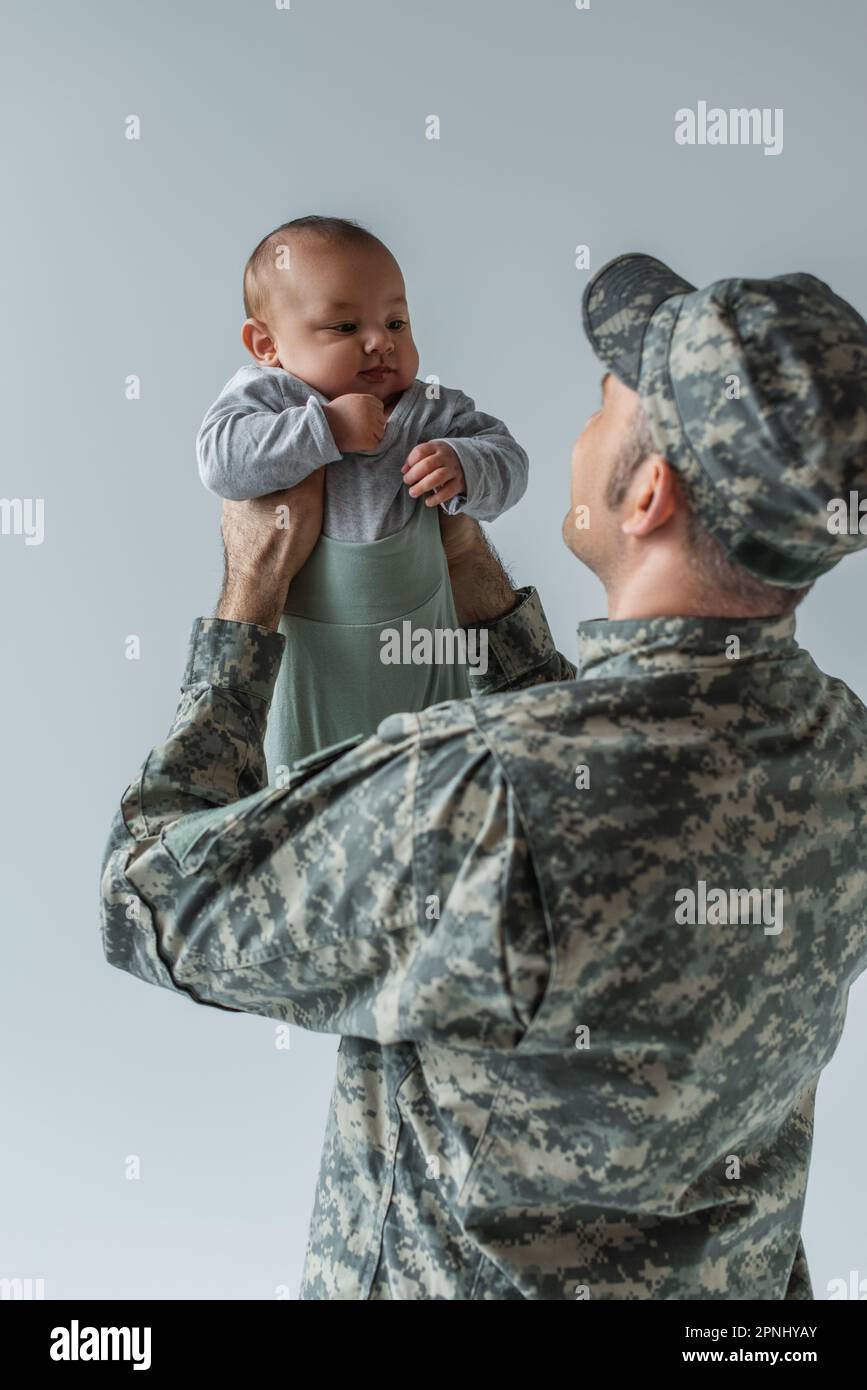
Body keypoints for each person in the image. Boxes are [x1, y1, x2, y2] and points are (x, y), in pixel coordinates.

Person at [100, 252, 867, 1300]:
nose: (577, 434)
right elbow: (621, 798)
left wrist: (250, 592)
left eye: (606, 405)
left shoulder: (481, 793)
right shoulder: (842, 757)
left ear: (648, 493)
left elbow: (148, 897)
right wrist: (481, 588)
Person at [196, 215, 528, 770]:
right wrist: (323, 428)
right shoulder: (271, 397)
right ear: (266, 343)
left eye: (396, 322)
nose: (380, 342)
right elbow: (220, 461)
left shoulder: (430, 411)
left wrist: (466, 465)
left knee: (446, 780)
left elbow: (511, 463)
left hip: (426, 653)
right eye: (345, 328)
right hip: (317, 666)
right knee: (306, 796)